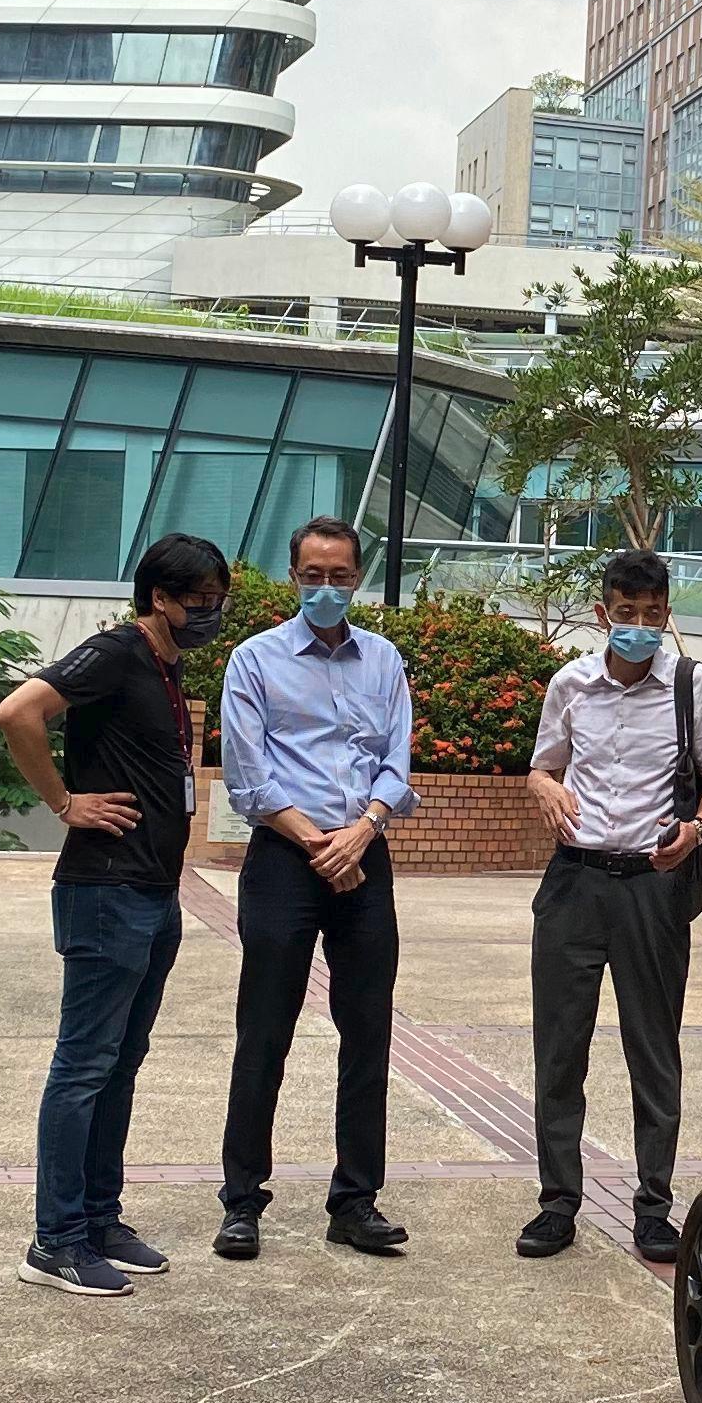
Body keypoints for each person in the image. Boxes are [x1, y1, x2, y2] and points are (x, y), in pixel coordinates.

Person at [0, 534, 231, 1297]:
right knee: (83, 1066)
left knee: (120, 1064)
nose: (211, 612)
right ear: (159, 597)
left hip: (154, 893)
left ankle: (100, 1219)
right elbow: (17, 712)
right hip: (106, 891)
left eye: (217, 599)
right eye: (199, 600)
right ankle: (55, 1240)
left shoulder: (165, 666)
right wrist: (64, 802)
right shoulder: (115, 653)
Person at [518, 548, 702, 1265]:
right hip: (574, 883)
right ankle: (557, 1203)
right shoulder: (570, 684)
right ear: (602, 613)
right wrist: (545, 787)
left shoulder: (690, 685)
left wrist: (695, 829)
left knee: (654, 1049)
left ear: (667, 615)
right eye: (625, 613)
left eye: (652, 614)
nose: (638, 625)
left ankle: (653, 1208)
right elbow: (543, 767)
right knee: (559, 1049)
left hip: (652, 885)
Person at [212, 517, 414, 1260]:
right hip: (284, 859)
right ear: (293, 576)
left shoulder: (384, 660)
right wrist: (322, 844)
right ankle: (242, 1201)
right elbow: (248, 776)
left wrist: (363, 832)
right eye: (313, 575)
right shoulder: (254, 660)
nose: (326, 587)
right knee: (264, 1030)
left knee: (367, 1033)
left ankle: (355, 1201)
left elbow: (396, 761)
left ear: (358, 578)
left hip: (365, 853)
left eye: (339, 575)